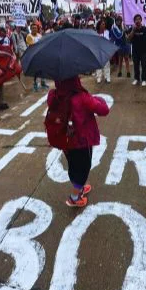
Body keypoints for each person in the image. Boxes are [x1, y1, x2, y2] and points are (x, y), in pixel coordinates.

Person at [46, 75, 110, 208]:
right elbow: (104, 110)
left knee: (73, 165)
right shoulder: (82, 97)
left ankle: (78, 187)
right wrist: (98, 99)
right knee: (83, 168)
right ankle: (74, 197)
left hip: (65, 139)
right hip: (81, 142)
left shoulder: (53, 95)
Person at [130, 15, 146, 85]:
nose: (137, 21)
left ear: (141, 20)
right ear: (134, 21)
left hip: (144, 51)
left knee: (144, 65)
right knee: (136, 65)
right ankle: (136, 78)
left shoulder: (145, 29)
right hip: (135, 51)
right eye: (136, 19)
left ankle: (144, 79)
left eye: (139, 19)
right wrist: (133, 31)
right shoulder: (132, 29)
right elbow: (128, 38)